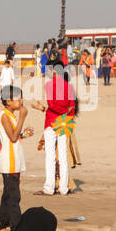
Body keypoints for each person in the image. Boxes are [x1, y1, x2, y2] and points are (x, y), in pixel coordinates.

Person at [32, 64, 76, 197]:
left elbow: (52, 105)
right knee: (63, 155)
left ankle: (49, 187)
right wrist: (67, 115)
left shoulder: (49, 85)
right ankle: (63, 188)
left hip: (52, 121)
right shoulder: (69, 86)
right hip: (64, 122)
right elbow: (72, 107)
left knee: (50, 155)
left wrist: (46, 109)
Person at [0, 87, 34, 231]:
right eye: (18, 99)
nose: (21, 102)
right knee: (14, 197)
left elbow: (14, 137)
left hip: (15, 160)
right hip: (9, 161)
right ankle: (16, 229)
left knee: (8, 196)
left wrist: (23, 135)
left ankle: (1, 229)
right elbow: (11, 137)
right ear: (8, 101)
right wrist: (23, 118)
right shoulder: (4, 115)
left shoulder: (11, 115)